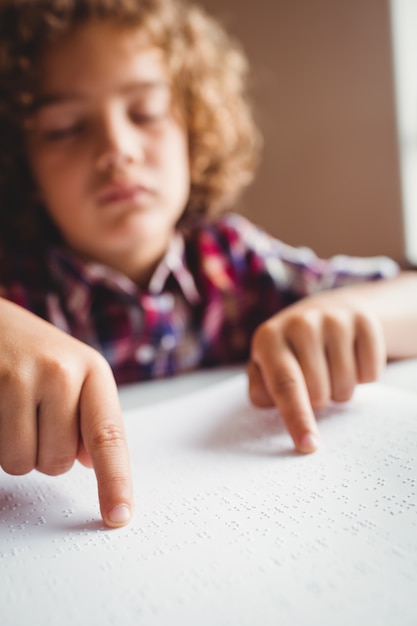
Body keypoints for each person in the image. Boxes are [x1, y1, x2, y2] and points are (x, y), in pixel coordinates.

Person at [0, 0, 416, 529]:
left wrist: (349, 313)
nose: (117, 148)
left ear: (195, 123)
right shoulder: (14, 290)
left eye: (146, 112)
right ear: (17, 157)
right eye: (64, 128)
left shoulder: (233, 262)